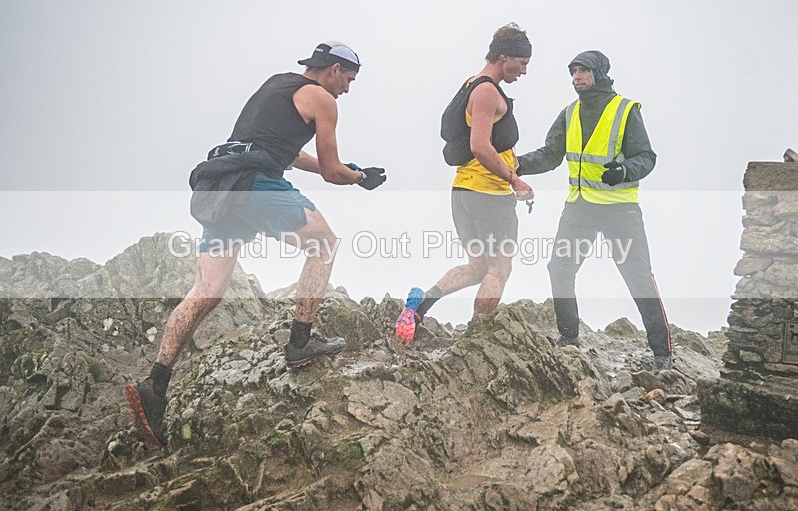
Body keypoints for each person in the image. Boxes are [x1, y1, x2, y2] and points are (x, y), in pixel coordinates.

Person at [126, 41, 387, 446]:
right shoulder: (322, 99)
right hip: (255, 185)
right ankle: (300, 342)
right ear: (335, 69)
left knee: (206, 292)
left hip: (220, 185)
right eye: (349, 80)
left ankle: (155, 385)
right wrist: (359, 178)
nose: (347, 90)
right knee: (325, 245)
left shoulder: (277, 85)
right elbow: (333, 172)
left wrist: (346, 169)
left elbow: (292, 155)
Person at [516, 50, 673, 371]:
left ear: (599, 74)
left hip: (620, 213)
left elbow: (647, 157)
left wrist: (625, 171)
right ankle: (568, 338)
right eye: (573, 72)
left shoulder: (625, 110)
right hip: (580, 210)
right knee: (559, 268)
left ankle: (662, 354)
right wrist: (514, 164)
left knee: (638, 278)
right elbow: (550, 155)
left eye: (583, 71)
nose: (576, 77)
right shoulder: (570, 112)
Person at [395, 23, 534, 344]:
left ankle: (418, 307)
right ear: (504, 56)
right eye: (523, 63)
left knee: (477, 267)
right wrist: (515, 180)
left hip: (465, 193)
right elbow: (480, 146)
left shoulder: (472, 83)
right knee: (499, 269)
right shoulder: (486, 90)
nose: (524, 71)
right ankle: (478, 339)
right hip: (488, 194)